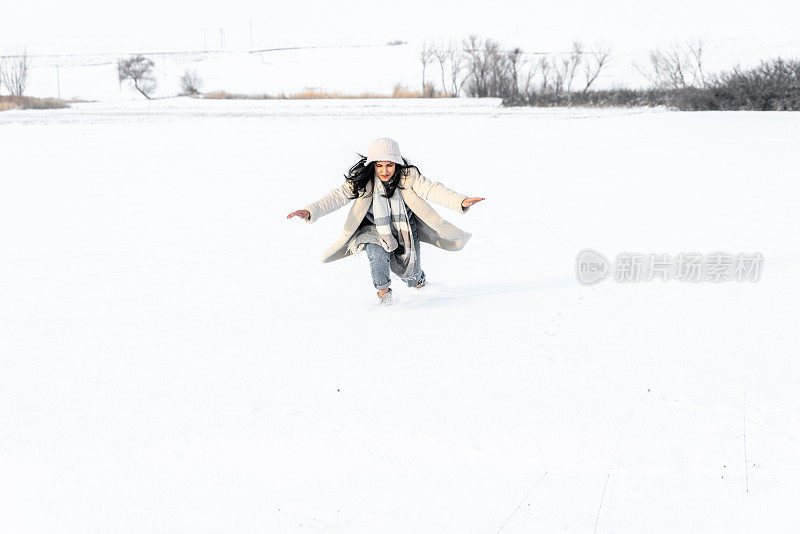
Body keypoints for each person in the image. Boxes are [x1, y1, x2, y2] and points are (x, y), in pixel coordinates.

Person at [287, 138, 484, 305]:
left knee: (411, 275)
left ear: (397, 163)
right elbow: (336, 197)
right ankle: (385, 301)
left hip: (404, 228)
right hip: (372, 229)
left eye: (389, 165)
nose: (384, 171)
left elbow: (432, 189)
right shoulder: (362, 181)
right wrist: (310, 210)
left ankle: (421, 285)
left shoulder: (408, 177)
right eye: (379, 165)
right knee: (378, 258)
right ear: (372, 164)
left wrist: (460, 200)